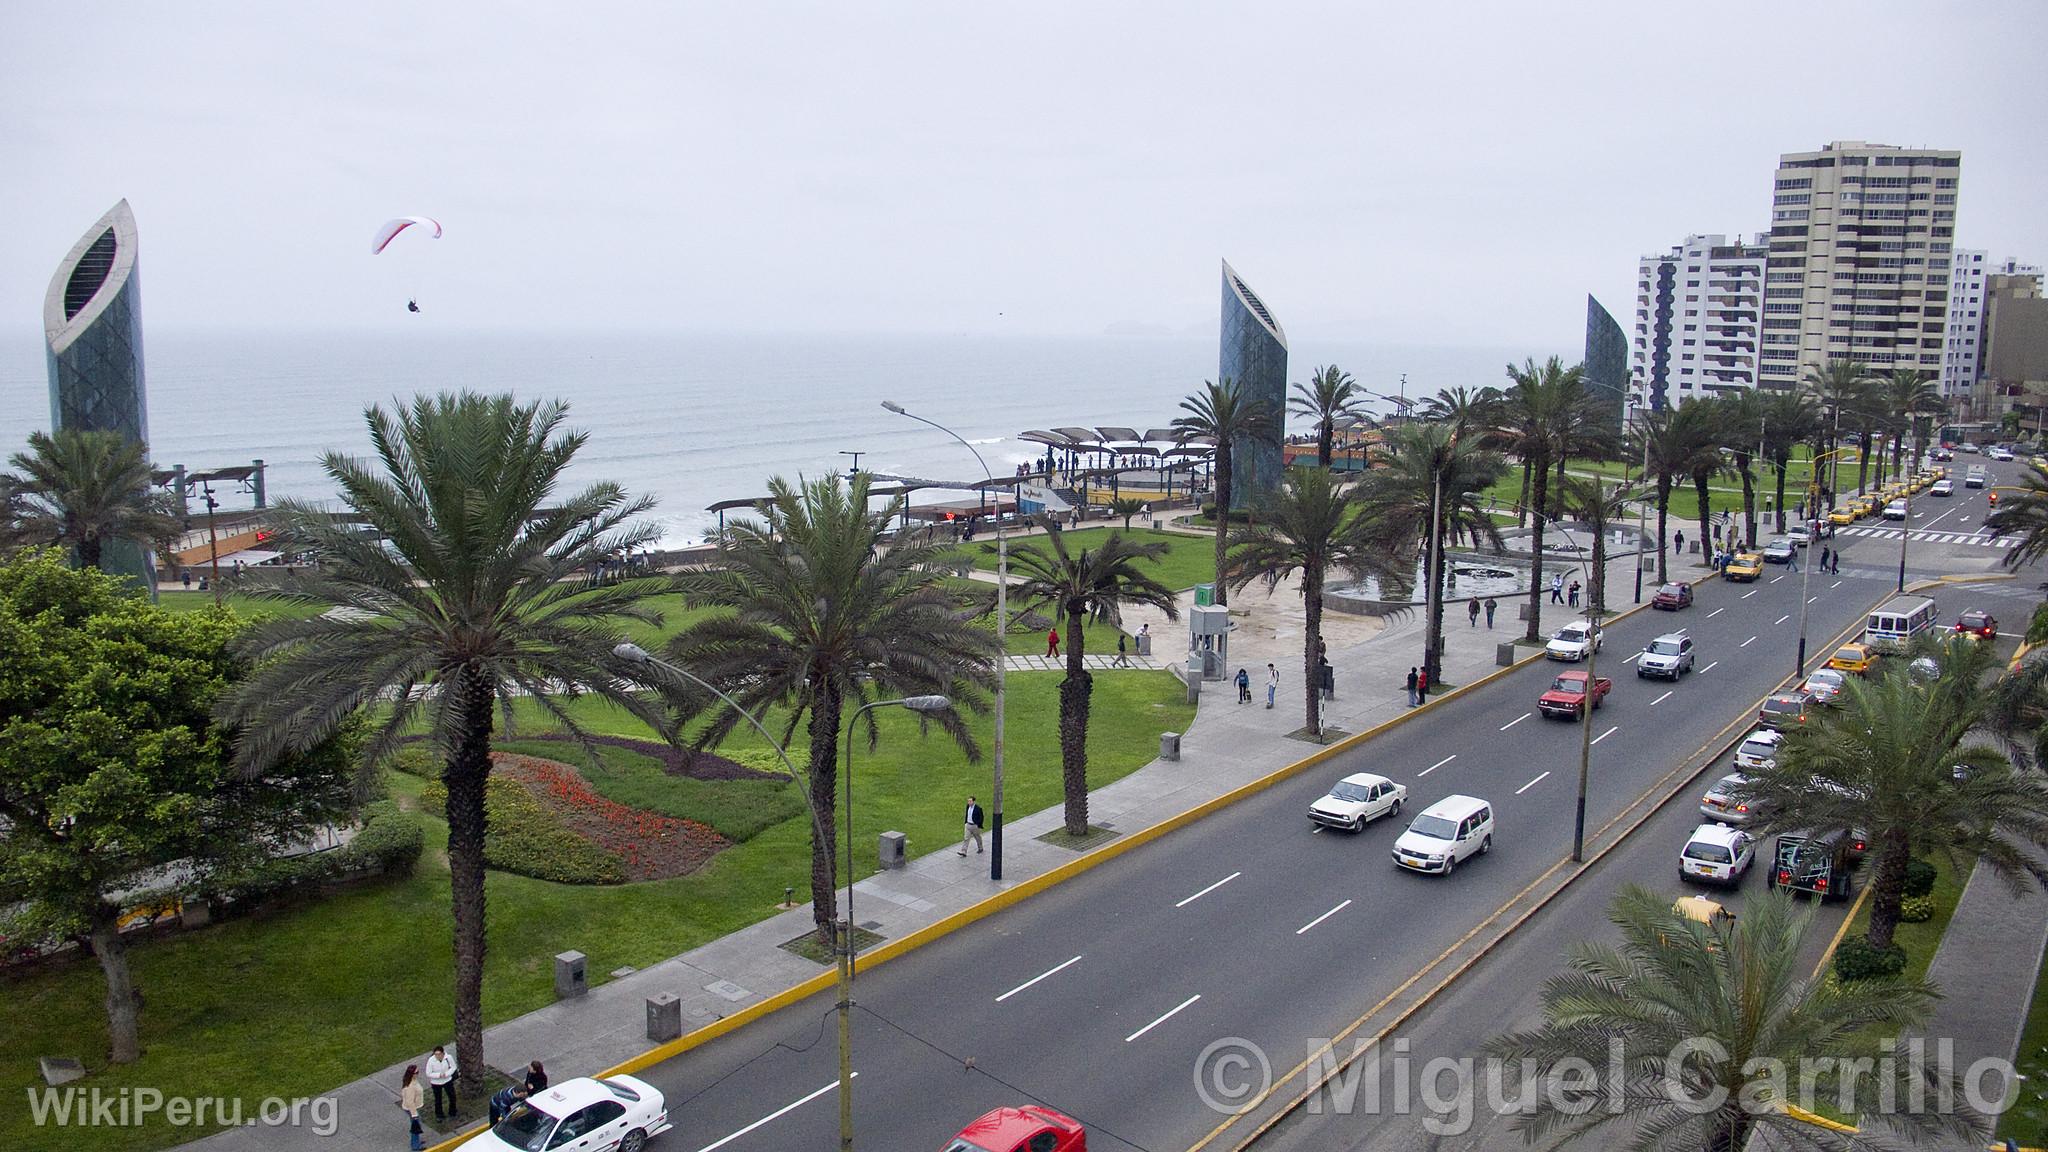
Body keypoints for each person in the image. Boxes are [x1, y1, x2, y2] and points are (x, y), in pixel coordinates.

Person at [424, 1045, 457, 1121]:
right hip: (436, 1083)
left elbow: (453, 1067)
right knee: (438, 1099)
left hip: (447, 1080)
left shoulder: (448, 1058)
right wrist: (438, 1075)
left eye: (439, 1054)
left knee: (452, 1096)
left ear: (442, 1053)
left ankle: (452, 1112)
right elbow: (428, 1073)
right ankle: (439, 1115)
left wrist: (447, 1074)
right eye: (436, 1054)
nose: (437, 1056)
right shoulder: (431, 1060)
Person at [400, 1065, 425, 1150]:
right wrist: (414, 1115)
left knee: (416, 1126)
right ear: (412, 1074)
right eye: (416, 1073)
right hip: (412, 1109)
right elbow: (410, 1102)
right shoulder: (410, 1087)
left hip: (414, 1107)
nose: (418, 1074)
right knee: (415, 1128)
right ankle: (415, 1147)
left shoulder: (413, 1081)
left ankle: (416, 1142)